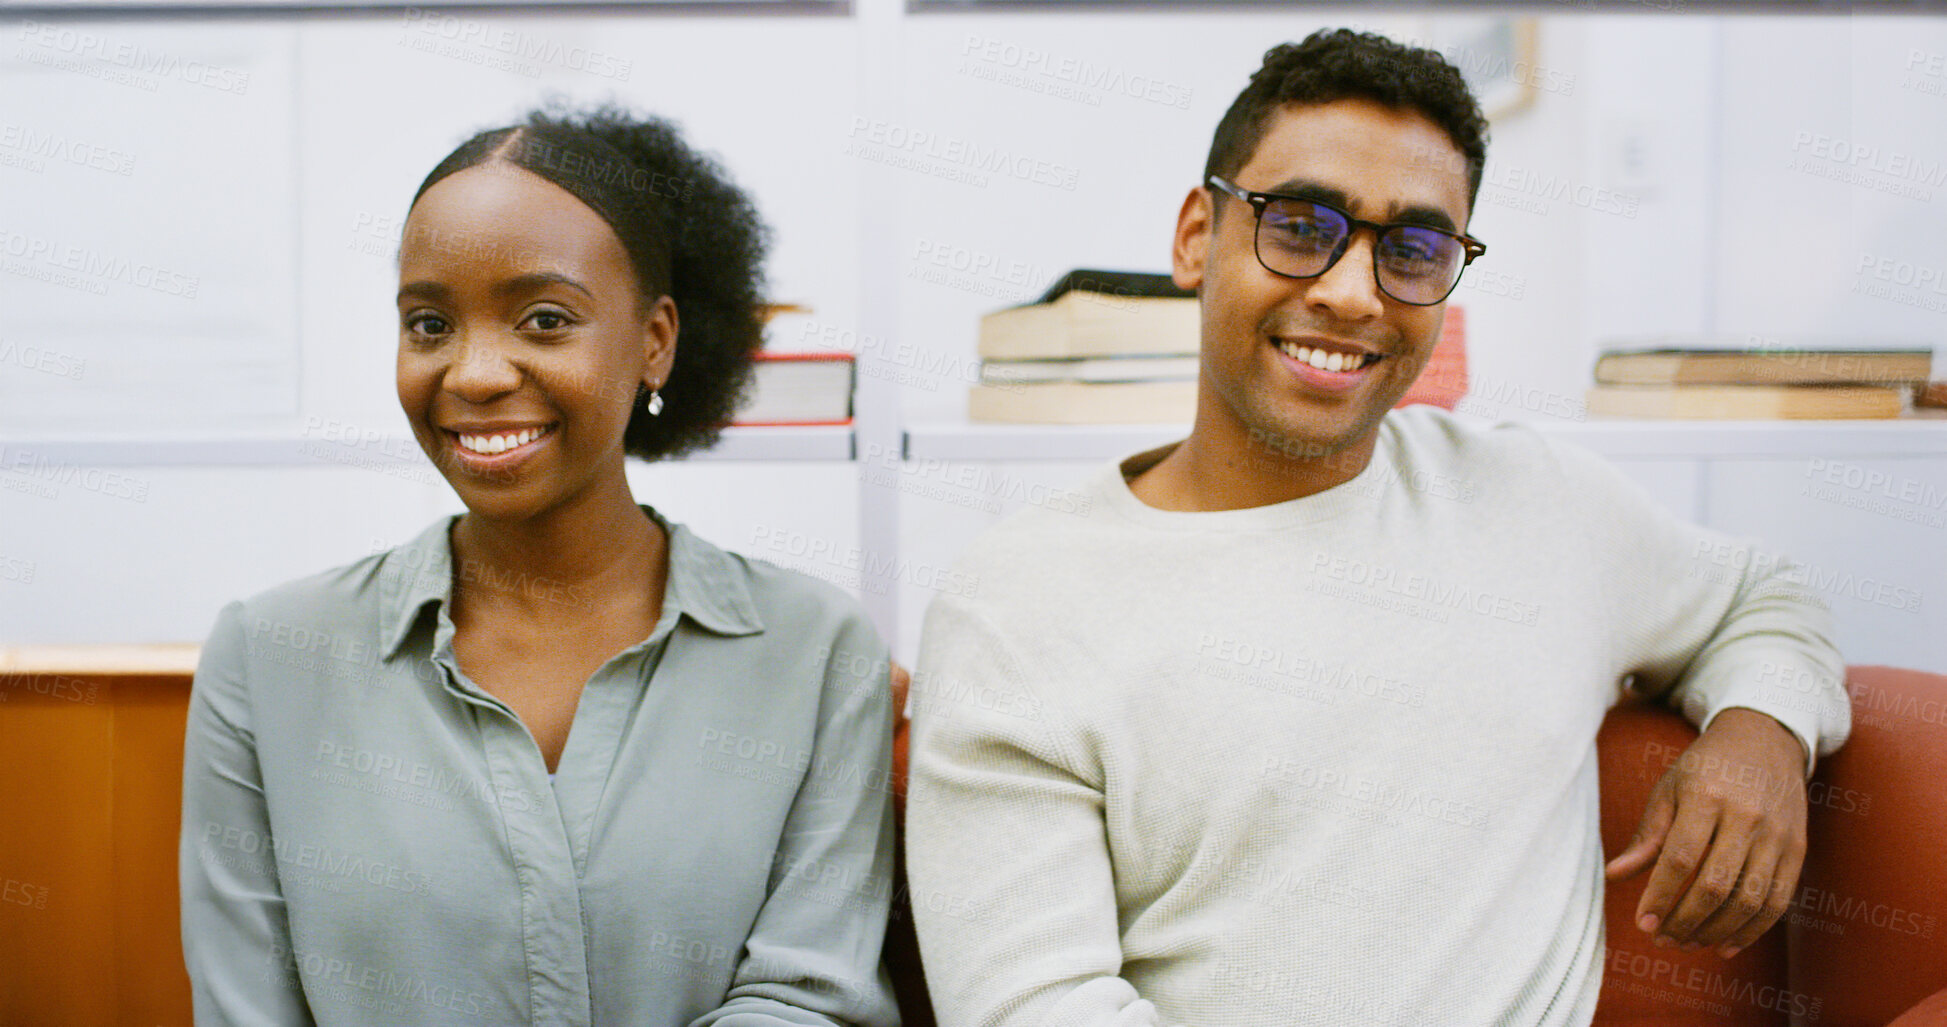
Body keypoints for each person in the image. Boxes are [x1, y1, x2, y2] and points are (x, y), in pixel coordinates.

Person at [904, 29, 1850, 1026]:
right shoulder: (1018, 602)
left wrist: (1763, 731)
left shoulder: (1542, 504)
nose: (1353, 294)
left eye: (1413, 249)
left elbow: (1767, 596)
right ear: (1195, 237)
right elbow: (1034, 1009)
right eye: (1301, 225)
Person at [179, 105, 900, 1027]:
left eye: (545, 318)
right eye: (429, 322)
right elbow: (247, 1007)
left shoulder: (812, 650)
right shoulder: (270, 655)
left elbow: (809, 998)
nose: (474, 372)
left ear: (655, 341)